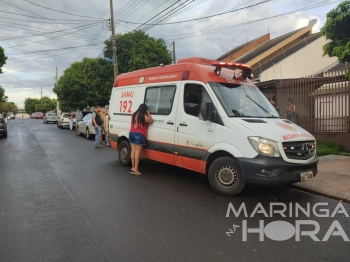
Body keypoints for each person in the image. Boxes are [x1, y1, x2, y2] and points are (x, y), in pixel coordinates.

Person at [129, 104, 153, 175]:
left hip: (131, 133)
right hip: (139, 134)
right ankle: (136, 169)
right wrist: (148, 113)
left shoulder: (134, 114)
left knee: (133, 151)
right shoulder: (142, 115)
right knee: (137, 153)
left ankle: (133, 167)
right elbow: (151, 120)